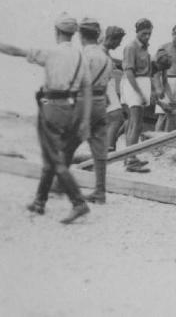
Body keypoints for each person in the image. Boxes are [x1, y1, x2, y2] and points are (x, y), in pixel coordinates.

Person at [0, 13, 91, 223]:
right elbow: (86, 88)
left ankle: (78, 202)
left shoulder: (51, 53)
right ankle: (39, 202)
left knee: (55, 158)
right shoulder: (80, 57)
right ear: (73, 34)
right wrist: (85, 120)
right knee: (51, 157)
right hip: (71, 109)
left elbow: (16, 51)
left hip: (50, 107)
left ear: (57, 32)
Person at [64, 18, 112, 204]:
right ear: (97, 35)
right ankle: (100, 191)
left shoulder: (84, 56)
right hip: (101, 103)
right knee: (99, 149)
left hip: (85, 102)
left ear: (81, 36)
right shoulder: (106, 58)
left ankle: (61, 183)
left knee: (68, 143)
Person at [120, 18, 155, 172]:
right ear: (137, 32)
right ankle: (130, 159)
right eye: (144, 33)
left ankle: (129, 156)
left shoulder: (144, 47)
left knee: (137, 123)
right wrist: (139, 93)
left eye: (149, 33)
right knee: (135, 123)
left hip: (142, 84)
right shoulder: (131, 47)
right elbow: (128, 72)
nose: (147, 36)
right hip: (134, 85)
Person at [154, 24, 176, 132]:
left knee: (174, 114)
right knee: (163, 113)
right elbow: (156, 70)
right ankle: (155, 139)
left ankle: (168, 141)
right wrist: (158, 87)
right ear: (172, 34)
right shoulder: (163, 47)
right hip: (167, 79)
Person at [103, 26, 127, 152]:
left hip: (107, 87)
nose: (119, 44)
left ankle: (109, 146)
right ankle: (109, 148)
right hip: (102, 88)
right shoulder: (100, 51)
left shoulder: (105, 52)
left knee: (116, 119)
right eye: (119, 41)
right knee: (117, 118)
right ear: (113, 39)